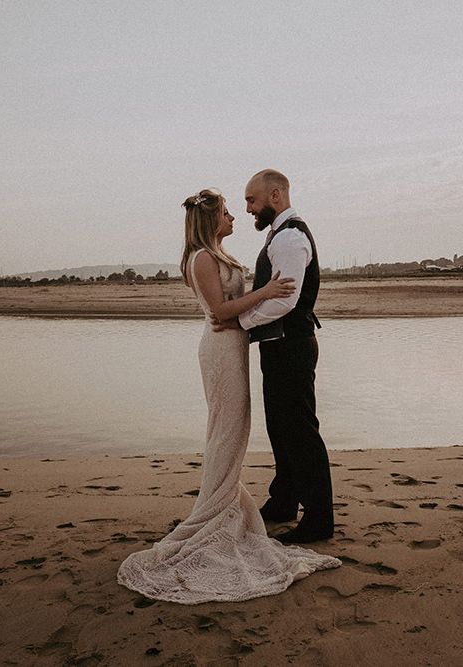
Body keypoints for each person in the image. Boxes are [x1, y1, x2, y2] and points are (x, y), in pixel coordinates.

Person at [116, 188, 340, 604]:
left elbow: (232, 308)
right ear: (210, 220)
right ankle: (213, 510)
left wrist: (251, 310)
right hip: (220, 351)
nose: (235, 215)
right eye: (226, 211)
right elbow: (220, 311)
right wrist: (267, 294)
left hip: (234, 347)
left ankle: (227, 502)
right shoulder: (201, 258)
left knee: (236, 428)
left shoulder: (217, 254)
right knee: (226, 429)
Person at [212, 169, 334, 544]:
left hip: (292, 345)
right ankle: (284, 501)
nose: (248, 208)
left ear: (275, 195)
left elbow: (285, 299)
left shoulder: (291, 237)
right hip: (279, 345)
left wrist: (242, 322)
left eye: (252, 200)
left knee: (300, 431)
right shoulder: (280, 234)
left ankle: (319, 519)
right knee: (281, 429)